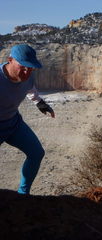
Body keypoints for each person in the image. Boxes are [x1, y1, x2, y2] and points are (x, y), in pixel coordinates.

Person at [0, 44, 55, 195]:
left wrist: (40, 103)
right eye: (23, 66)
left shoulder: (27, 77)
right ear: (10, 60)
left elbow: (31, 89)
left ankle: (23, 194)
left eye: (31, 68)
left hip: (13, 123)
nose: (27, 71)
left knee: (36, 153)